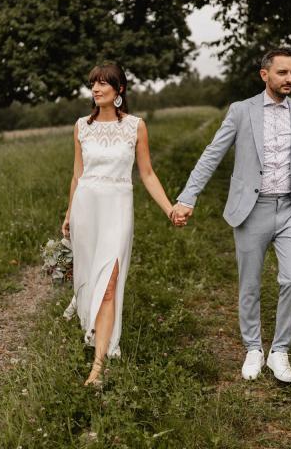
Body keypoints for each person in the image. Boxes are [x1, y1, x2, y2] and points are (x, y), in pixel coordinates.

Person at [171, 49, 291, 383]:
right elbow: (212, 154)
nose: (289, 79)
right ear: (264, 75)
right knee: (250, 284)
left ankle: (279, 351)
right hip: (251, 210)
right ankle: (253, 348)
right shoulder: (241, 112)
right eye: (282, 73)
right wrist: (187, 196)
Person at [62, 62, 180, 386]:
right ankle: (95, 333)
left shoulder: (135, 127)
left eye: (103, 84)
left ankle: (97, 368)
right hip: (87, 207)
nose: (96, 89)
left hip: (117, 208)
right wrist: (69, 214)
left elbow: (147, 173)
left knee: (110, 281)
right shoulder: (80, 127)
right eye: (93, 84)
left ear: (119, 90)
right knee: (87, 280)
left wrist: (169, 209)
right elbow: (77, 174)